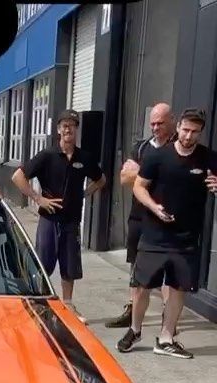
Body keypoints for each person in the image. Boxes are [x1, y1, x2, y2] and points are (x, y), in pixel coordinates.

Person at [117, 108, 217, 359]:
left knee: (177, 288)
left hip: (186, 237)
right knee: (141, 287)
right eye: (185, 129)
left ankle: (166, 338)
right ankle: (135, 329)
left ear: (200, 132)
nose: (188, 136)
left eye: (194, 132)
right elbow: (139, 187)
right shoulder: (157, 156)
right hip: (154, 234)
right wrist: (154, 207)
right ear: (178, 126)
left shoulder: (207, 158)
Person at [12, 110, 106, 323]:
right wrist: (38, 199)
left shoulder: (84, 158)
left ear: (76, 130)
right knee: (42, 263)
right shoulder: (47, 155)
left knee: (69, 266)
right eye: (64, 125)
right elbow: (18, 177)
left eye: (72, 125)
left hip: (71, 221)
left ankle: (68, 305)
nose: (68, 129)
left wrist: (84, 193)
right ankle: (38, 302)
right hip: (49, 220)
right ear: (58, 130)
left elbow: (101, 180)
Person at [106, 102, 176, 329]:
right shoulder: (141, 147)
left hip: (167, 218)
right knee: (136, 264)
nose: (155, 128)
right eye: (153, 123)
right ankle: (132, 308)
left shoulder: (178, 146)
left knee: (168, 268)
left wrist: (144, 174)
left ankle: (169, 317)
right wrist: (157, 175)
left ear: (172, 120)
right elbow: (125, 178)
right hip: (139, 217)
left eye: (160, 123)